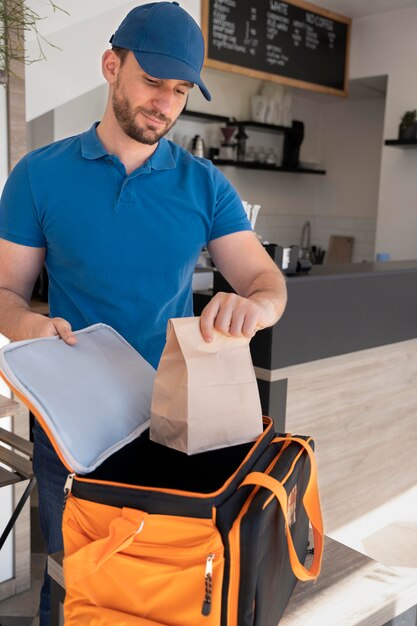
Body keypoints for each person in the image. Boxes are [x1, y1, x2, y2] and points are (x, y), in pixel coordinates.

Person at [0, 2, 287, 624]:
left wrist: (254, 307)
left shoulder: (205, 185)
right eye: (153, 81)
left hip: (176, 419)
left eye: (180, 89)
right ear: (111, 66)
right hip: (72, 426)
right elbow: (6, 294)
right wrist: (26, 327)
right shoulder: (37, 176)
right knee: (75, 578)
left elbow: (266, 280)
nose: (165, 102)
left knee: (169, 580)